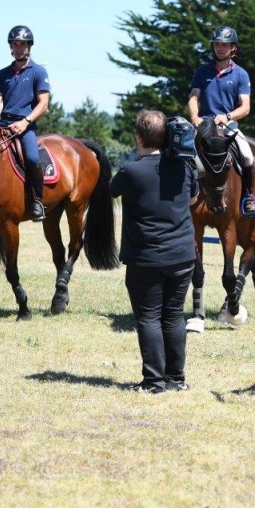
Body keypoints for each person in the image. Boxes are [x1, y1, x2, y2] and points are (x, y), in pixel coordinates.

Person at [110, 110, 198, 394]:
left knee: (148, 317)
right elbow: (193, 197)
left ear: (139, 137)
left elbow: (110, 191)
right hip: (183, 255)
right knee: (173, 316)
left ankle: (154, 382)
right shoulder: (186, 167)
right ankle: (177, 379)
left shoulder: (130, 171)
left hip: (147, 258)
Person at [187, 25, 255, 217]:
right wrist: (195, 116)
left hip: (228, 127)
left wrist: (227, 116)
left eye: (224, 45)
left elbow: (245, 107)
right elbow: (194, 97)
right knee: (182, 154)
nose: (220, 48)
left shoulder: (241, 74)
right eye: (217, 44)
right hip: (204, 127)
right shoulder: (202, 72)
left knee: (247, 156)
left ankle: (249, 197)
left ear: (232, 48)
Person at [0, 25, 51, 221]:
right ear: (11, 47)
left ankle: (37, 200)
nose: (18, 48)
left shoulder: (39, 72)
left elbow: (44, 103)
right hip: (3, 124)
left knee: (32, 158)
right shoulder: (2, 74)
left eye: (22, 44)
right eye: (15, 44)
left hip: (25, 125)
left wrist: (25, 122)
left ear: (29, 47)